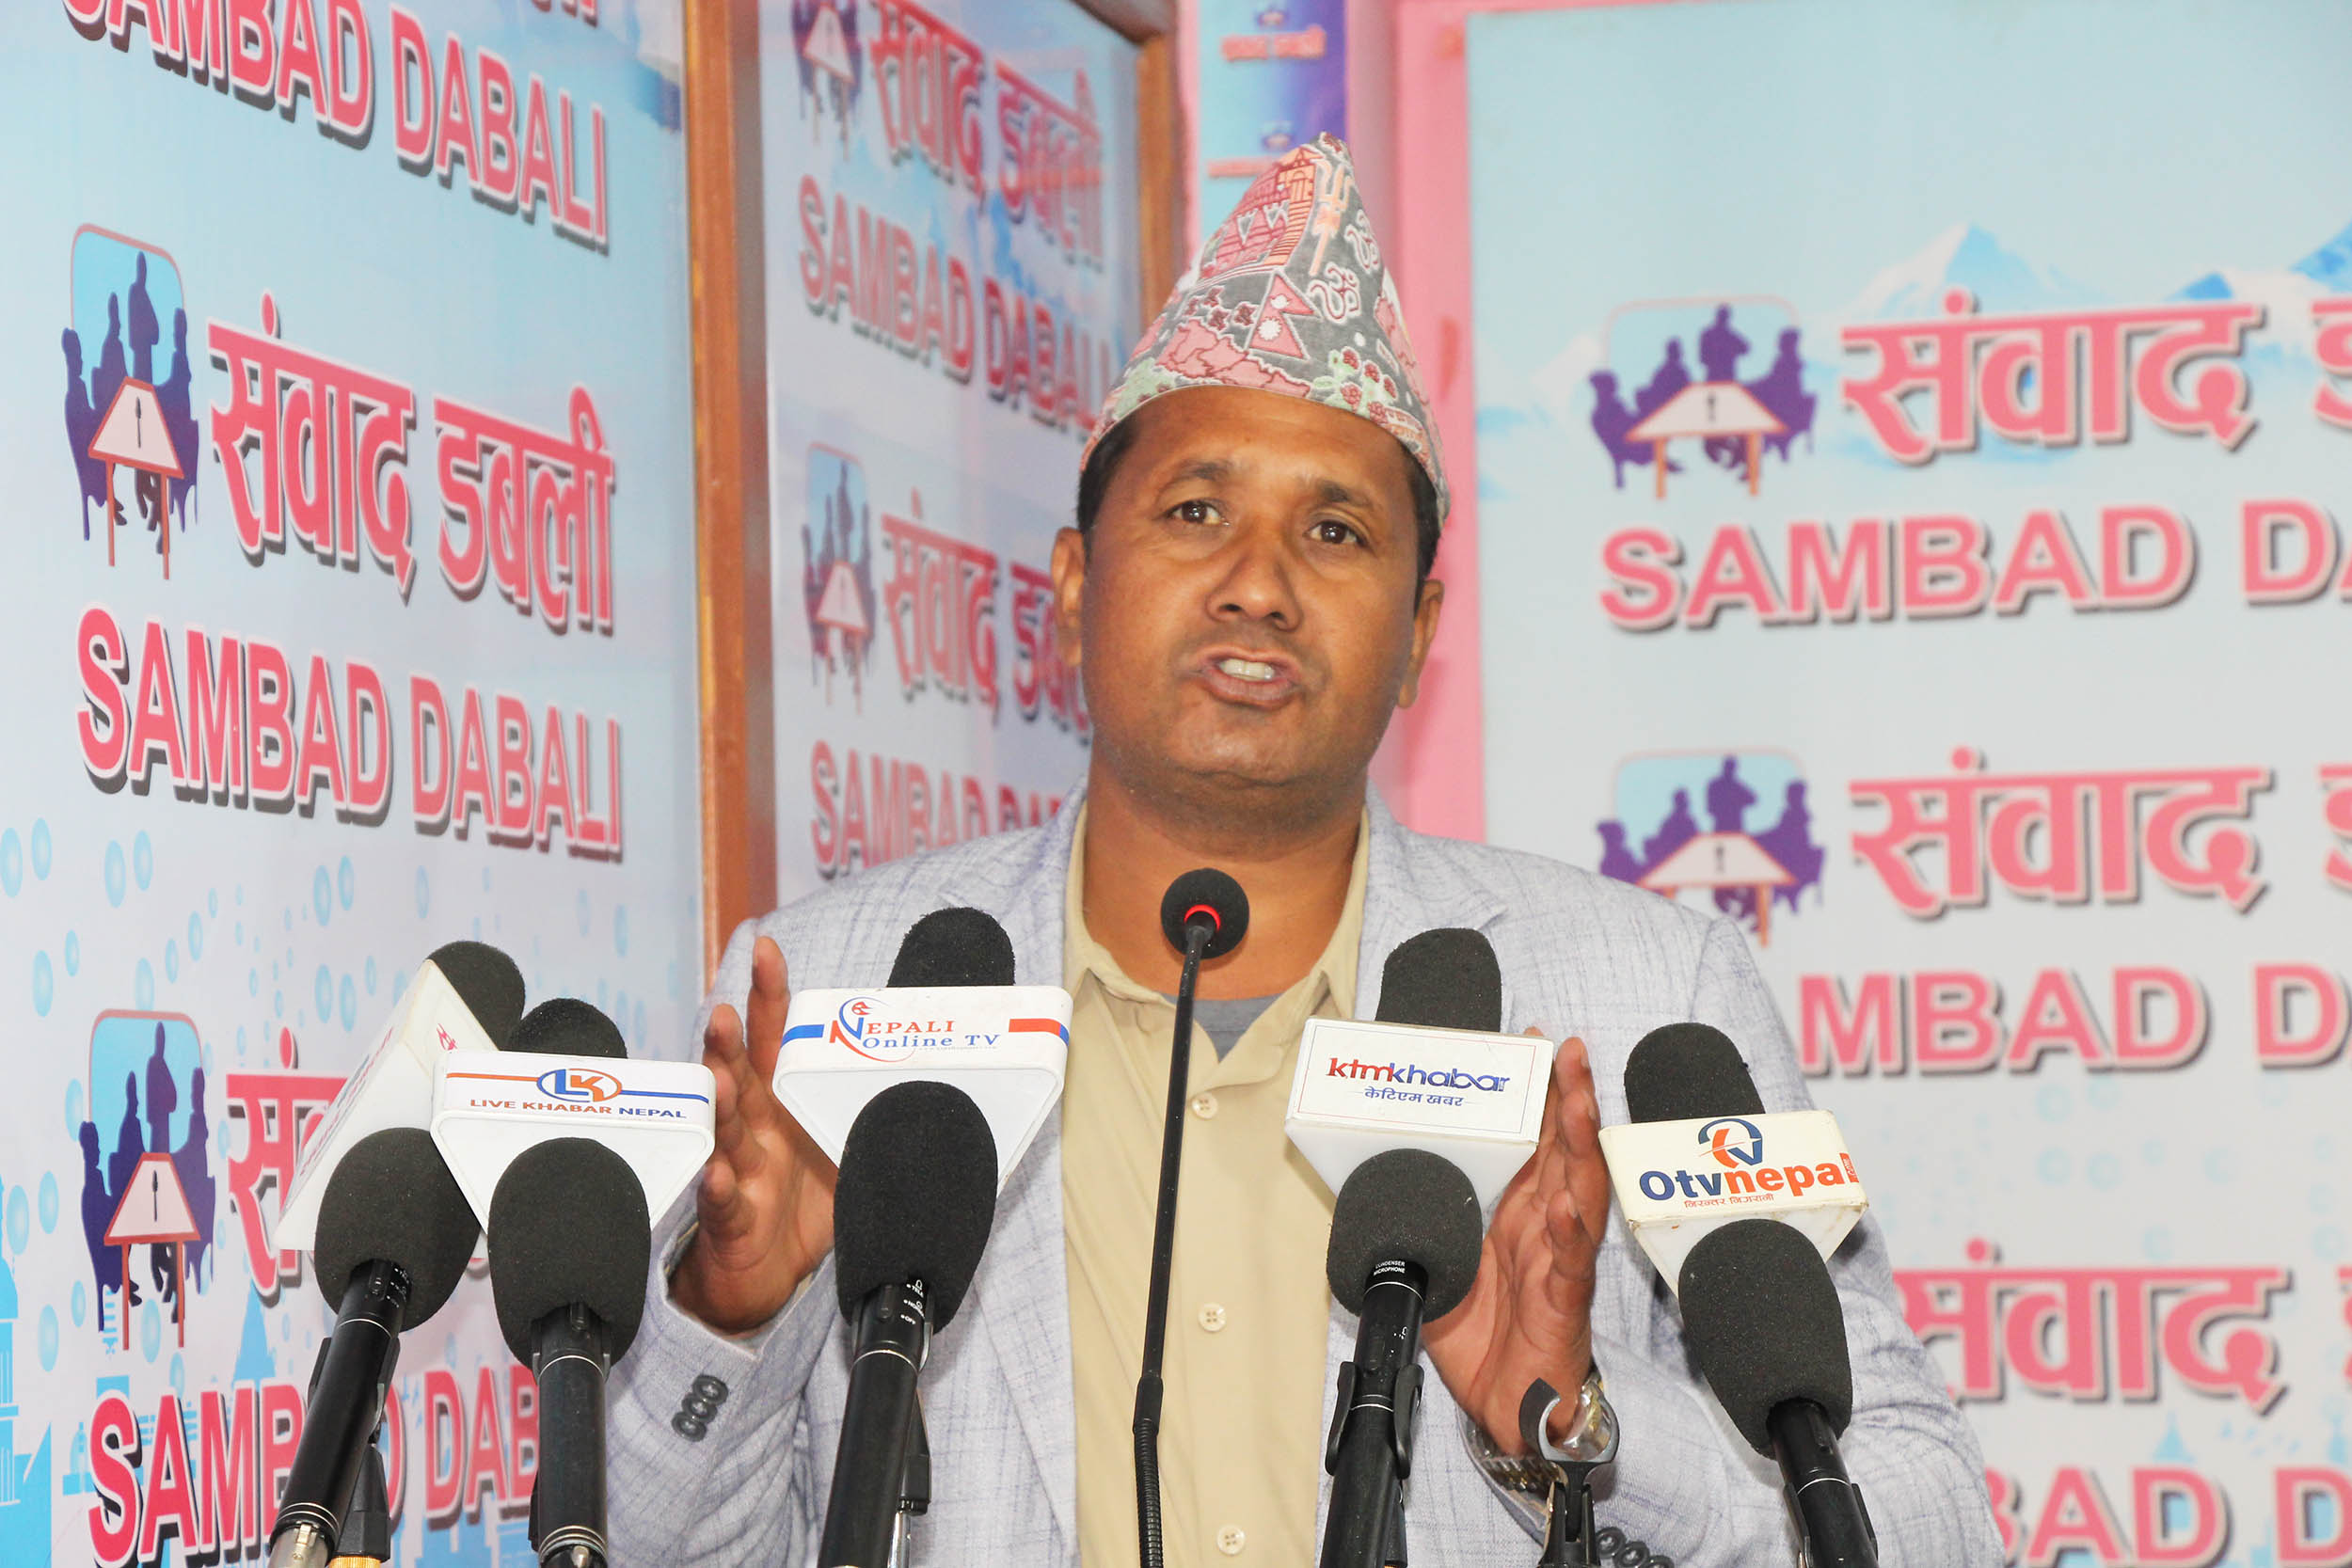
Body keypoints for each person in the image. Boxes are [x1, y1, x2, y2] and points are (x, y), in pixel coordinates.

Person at [607, 135, 1997, 1567]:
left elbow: (1930, 1514)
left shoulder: (1650, 996)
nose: (1260, 585)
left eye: (1334, 530)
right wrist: (730, 1317)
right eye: (1196, 511)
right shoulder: (833, 992)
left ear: (1418, 634)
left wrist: (1577, 1419)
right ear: (1074, 584)